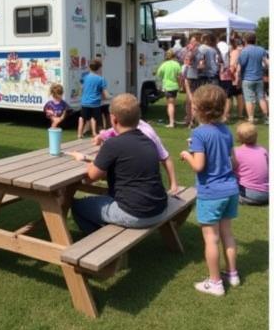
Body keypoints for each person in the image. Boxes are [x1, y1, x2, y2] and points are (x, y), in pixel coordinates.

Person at [68, 93, 173, 235]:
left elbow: (92, 176)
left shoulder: (113, 144)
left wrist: (87, 161)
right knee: (107, 198)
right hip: (159, 208)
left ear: (114, 119)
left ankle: (100, 243)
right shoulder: (148, 141)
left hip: (136, 215)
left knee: (77, 206)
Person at [178, 84, 240, 295]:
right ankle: (232, 275)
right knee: (227, 234)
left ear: (197, 109)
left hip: (211, 193)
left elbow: (199, 166)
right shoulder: (226, 130)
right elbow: (235, 162)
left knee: (211, 238)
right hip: (230, 190)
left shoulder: (199, 134)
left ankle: (215, 283)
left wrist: (188, 155)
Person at [92, 95, 179, 192]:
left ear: (113, 119)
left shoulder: (147, 135)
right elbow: (112, 130)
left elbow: (165, 157)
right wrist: (101, 136)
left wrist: (174, 184)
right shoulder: (130, 125)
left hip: (139, 189)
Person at [235, 33, 268, 124]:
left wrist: (237, 79)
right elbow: (267, 63)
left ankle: (251, 118)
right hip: (259, 78)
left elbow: (239, 67)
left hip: (247, 79)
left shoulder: (244, 51)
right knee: (262, 98)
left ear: (245, 40)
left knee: (249, 99)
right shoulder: (261, 50)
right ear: (255, 40)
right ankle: (266, 118)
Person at [233, 121, 268, 206]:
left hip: (250, 193)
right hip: (267, 192)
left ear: (238, 137)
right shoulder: (263, 151)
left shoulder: (237, 152)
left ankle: (240, 198)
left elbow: (230, 169)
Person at [77, 59, 109, 139]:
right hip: (95, 104)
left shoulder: (85, 77)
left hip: (85, 103)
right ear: (99, 68)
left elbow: (81, 88)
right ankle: (98, 135)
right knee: (97, 120)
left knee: (83, 119)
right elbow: (105, 94)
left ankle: (79, 134)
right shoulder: (101, 79)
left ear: (89, 67)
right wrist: (110, 97)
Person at [156, 49, 182, 128]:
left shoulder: (164, 65)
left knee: (170, 104)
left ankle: (171, 122)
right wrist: (180, 85)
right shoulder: (177, 64)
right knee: (172, 103)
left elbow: (159, 74)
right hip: (175, 86)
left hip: (167, 86)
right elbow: (179, 76)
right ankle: (172, 120)